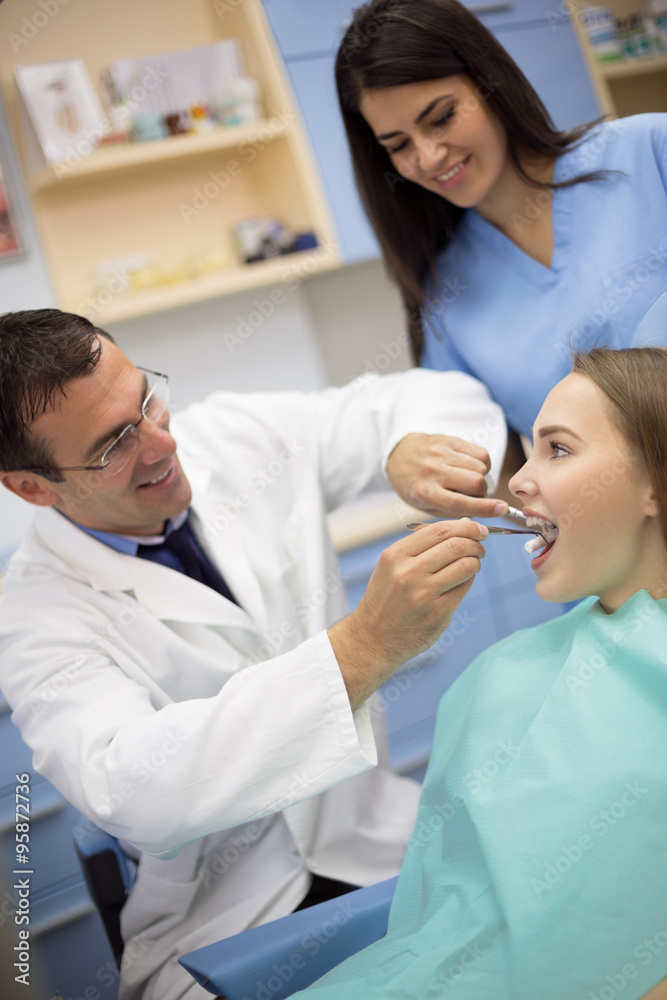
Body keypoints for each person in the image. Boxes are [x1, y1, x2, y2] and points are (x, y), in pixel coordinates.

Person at [0, 308, 507, 1000]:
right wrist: (363, 648)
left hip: (379, 845)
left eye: (146, 400)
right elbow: (134, 788)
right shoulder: (34, 615)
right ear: (32, 487)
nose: (161, 443)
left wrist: (405, 447)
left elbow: (440, 395)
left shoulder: (238, 438)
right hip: (221, 922)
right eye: (114, 443)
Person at [288, 346, 667, 1000]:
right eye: (529, 448)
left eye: (558, 449)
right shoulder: (502, 675)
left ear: (653, 484)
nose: (517, 480)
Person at [335, 0, 667, 492]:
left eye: (442, 117)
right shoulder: (445, 295)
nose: (428, 156)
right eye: (398, 145)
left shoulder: (649, 153)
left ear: (488, 81)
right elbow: (499, 479)